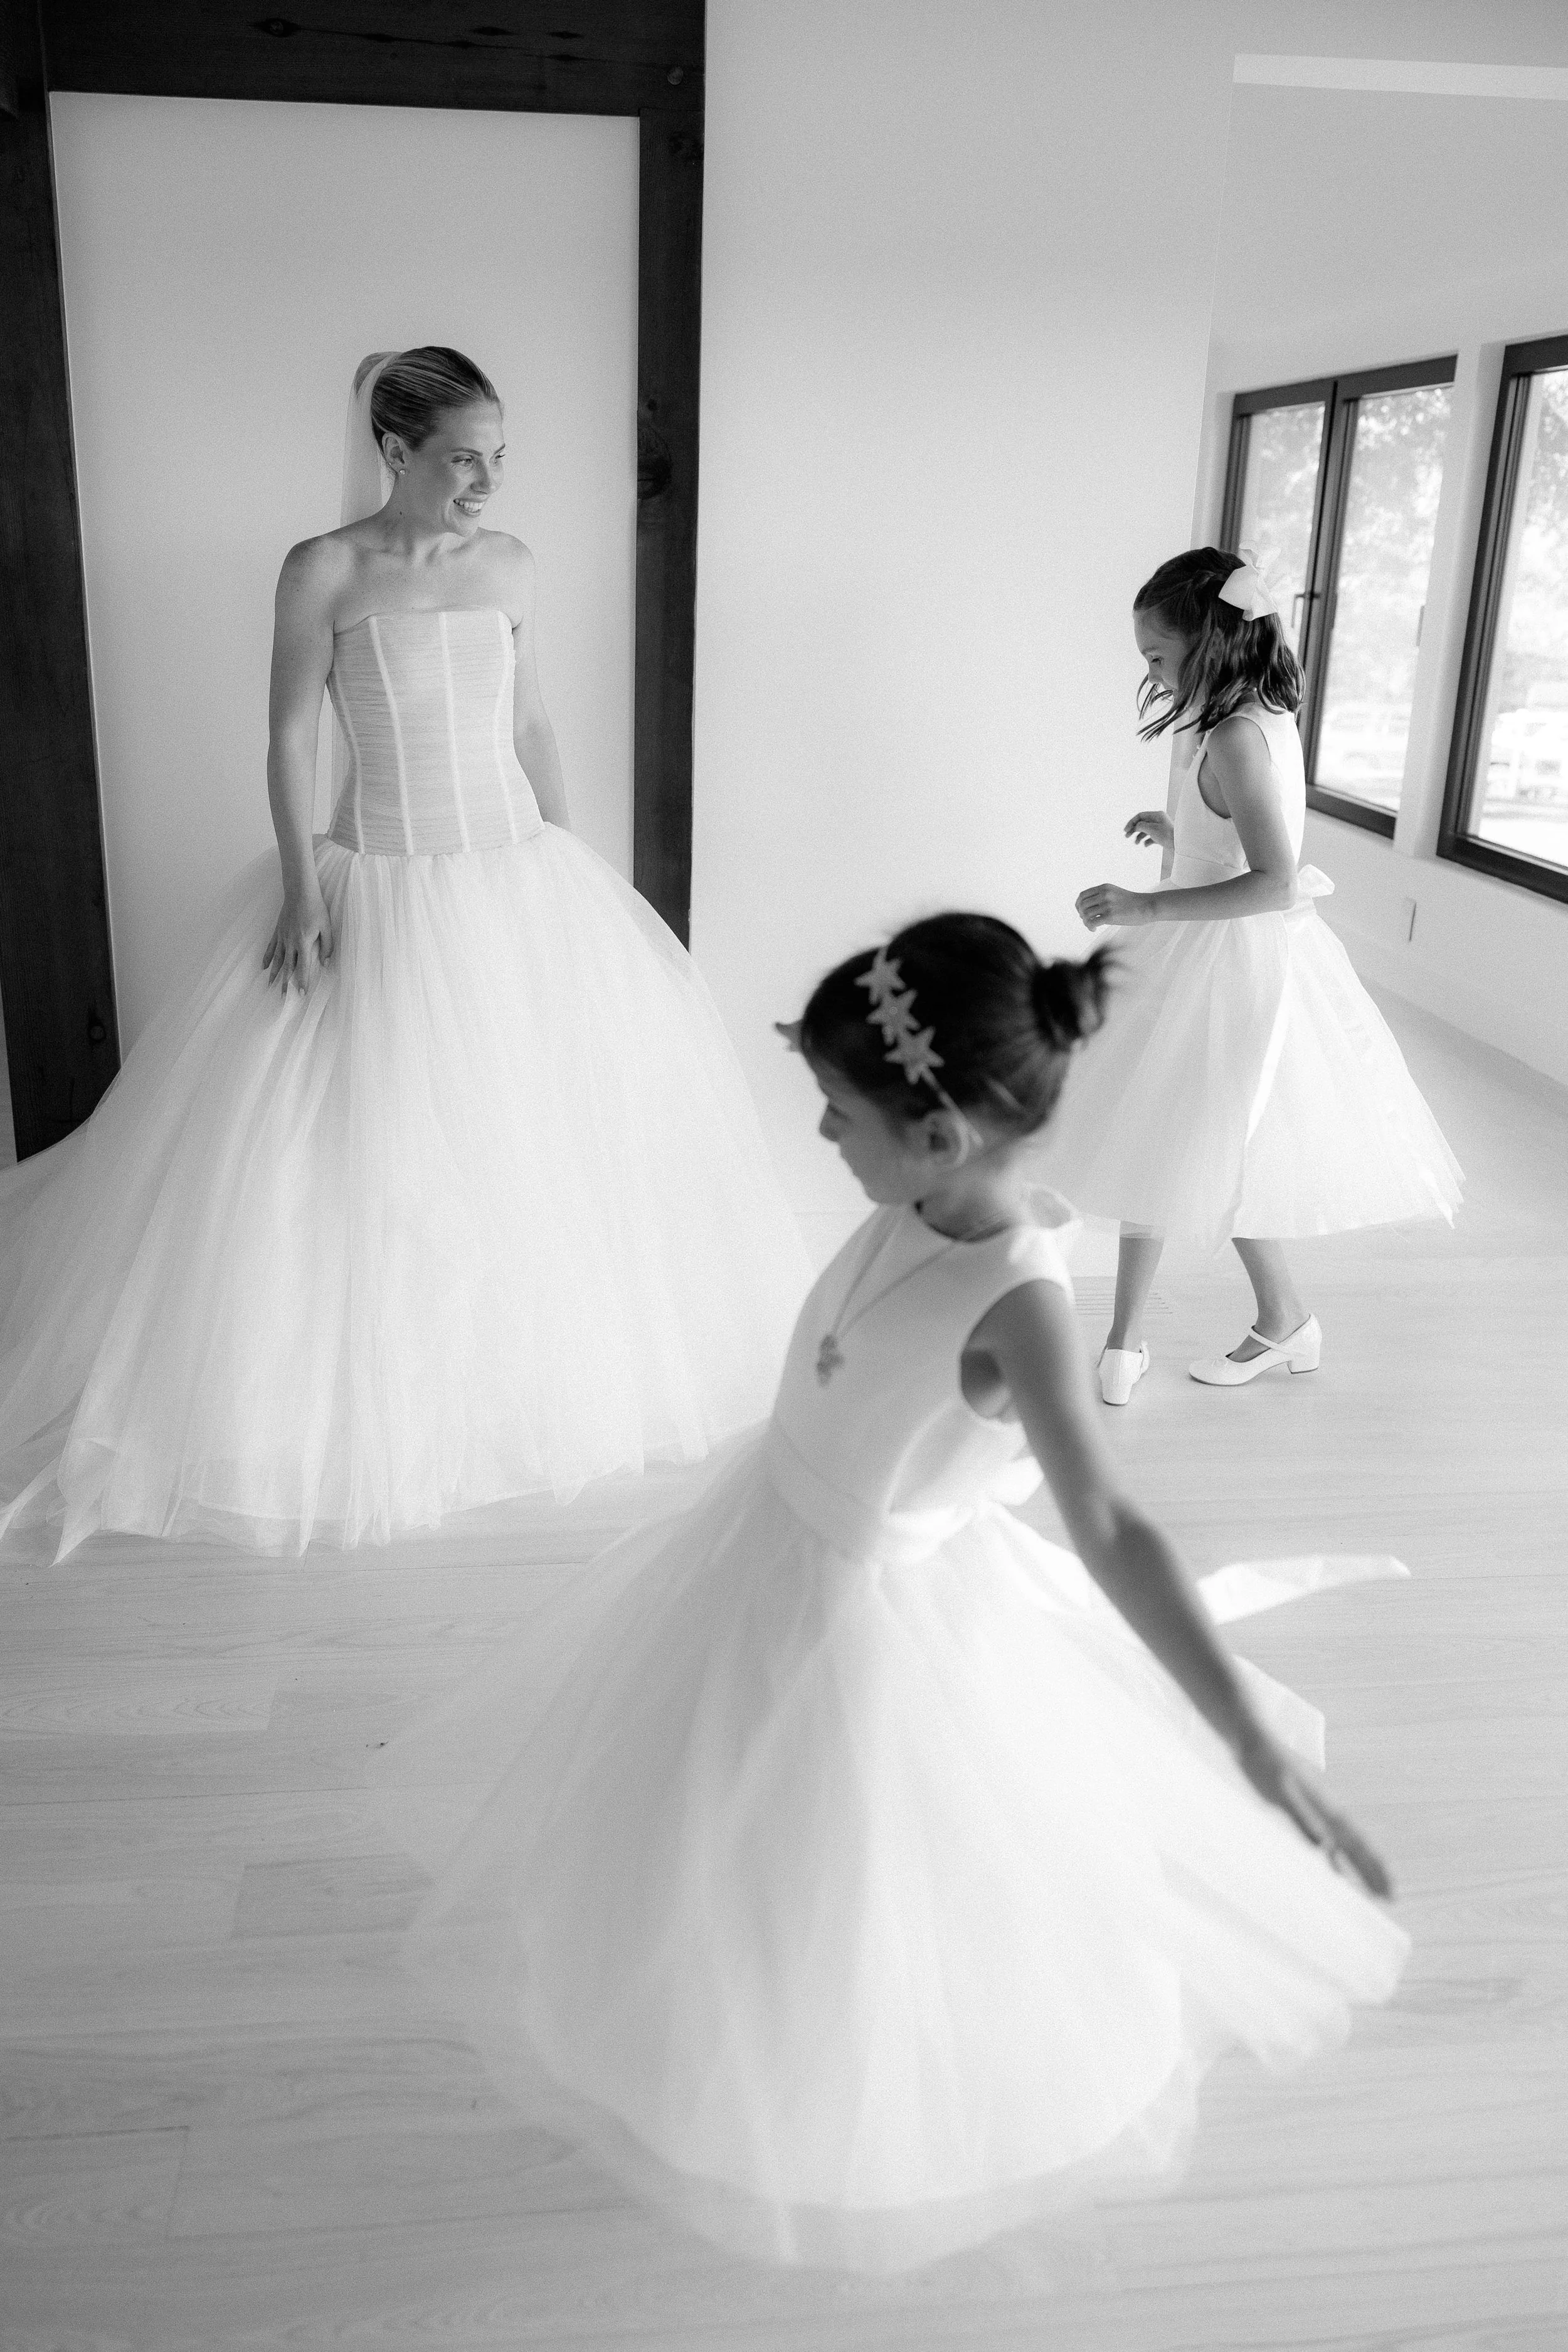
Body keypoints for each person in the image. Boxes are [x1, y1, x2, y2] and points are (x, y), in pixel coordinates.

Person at [375, 912, 1409, 2275]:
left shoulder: (1021, 1303)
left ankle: (827, 2063)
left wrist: (1240, 1734)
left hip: (863, 1626)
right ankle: (711, 2001)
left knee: (833, 1853)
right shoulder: (916, 1195)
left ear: (937, 1135)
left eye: (835, 1113)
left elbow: (1107, 1521)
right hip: (766, 1546)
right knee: (711, 1813)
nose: (819, 1137)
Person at [0, 347, 810, 1556]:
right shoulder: (323, 571)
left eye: (498, 457)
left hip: (510, 871)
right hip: (376, 876)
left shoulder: (511, 565)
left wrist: (574, 874)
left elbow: (530, 716)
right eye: (460, 458)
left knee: (522, 1137)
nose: (485, 481)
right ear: (394, 451)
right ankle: (356, 1394)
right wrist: (298, 887)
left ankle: (518, 1384)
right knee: (357, 1141)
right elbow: (285, 740)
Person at [1049, 546, 1462, 1407]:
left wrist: (1145, 905)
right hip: (1215, 954)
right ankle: (1159, 1332)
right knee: (1174, 1136)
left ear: (1209, 642)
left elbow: (1275, 879)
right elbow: (1236, 842)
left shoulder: (1235, 734)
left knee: (1193, 1142)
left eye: (1158, 657)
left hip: (1234, 964)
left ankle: (1257, 1322)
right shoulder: (1250, 718)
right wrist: (1180, 834)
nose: (1152, 676)